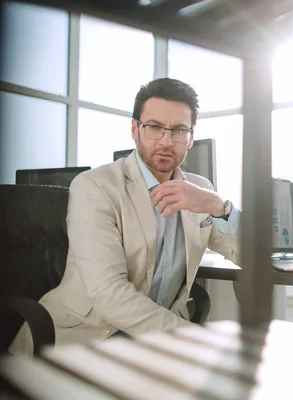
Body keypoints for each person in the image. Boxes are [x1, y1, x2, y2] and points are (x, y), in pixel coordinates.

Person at [9, 78, 241, 355]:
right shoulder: (94, 186)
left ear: (190, 138)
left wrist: (219, 206)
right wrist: (192, 339)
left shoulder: (199, 189)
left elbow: (253, 258)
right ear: (135, 129)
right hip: (85, 337)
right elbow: (110, 294)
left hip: (154, 339)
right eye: (155, 127)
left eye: (179, 130)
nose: (167, 141)